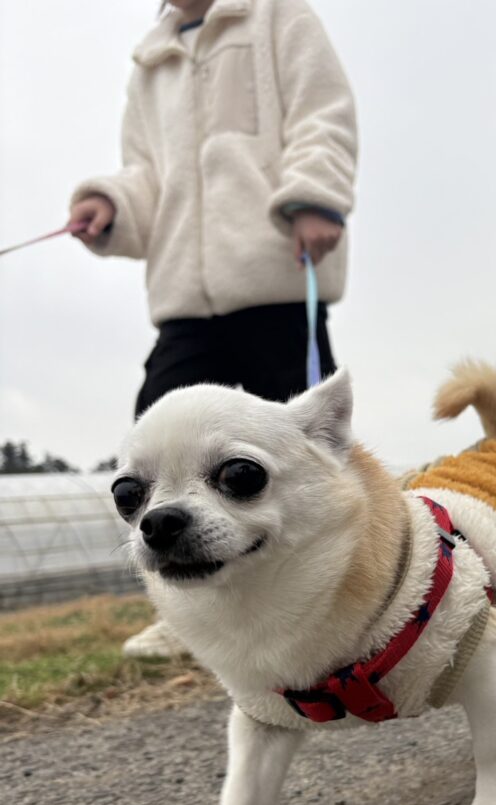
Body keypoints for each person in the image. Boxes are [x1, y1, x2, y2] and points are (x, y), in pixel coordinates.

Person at [70, 0, 357, 656]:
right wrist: (110, 203)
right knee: (154, 444)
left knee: (304, 455)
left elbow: (322, 111)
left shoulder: (279, 16)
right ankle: (184, 614)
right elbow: (147, 174)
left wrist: (316, 194)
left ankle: (344, 595)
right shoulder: (150, 62)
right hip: (182, 295)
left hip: (275, 275)